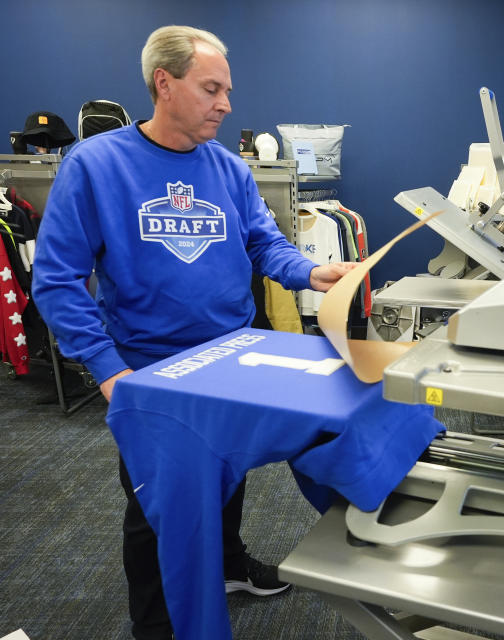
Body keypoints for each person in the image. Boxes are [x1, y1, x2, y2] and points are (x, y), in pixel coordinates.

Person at [31, 25, 354, 640]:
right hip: (149, 369)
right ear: (164, 83)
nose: (227, 103)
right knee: (159, 503)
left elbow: (262, 242)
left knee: (226, 472)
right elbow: (56, 279)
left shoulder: (229, 170)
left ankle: (228, 566)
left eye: (227, 90)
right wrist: (107, 369)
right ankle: (152, 625)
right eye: (211, 89)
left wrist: (312, 270)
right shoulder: (95, 166)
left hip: (233, 351)